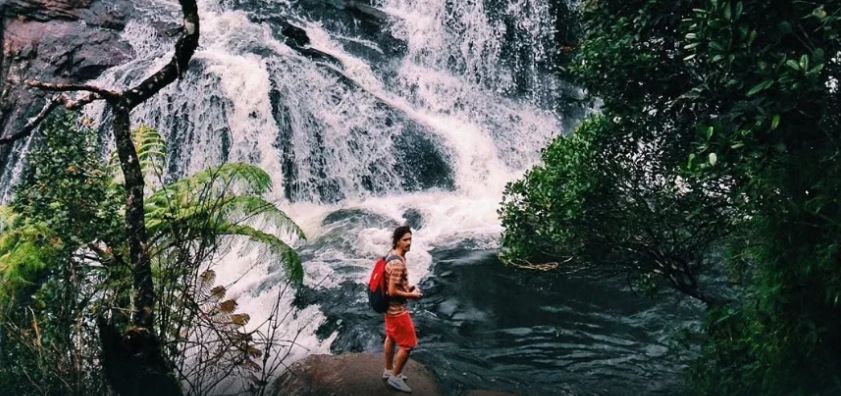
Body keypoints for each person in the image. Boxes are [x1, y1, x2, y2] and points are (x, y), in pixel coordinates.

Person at [382, 225, 422, 393]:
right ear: (397, 241)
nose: (409, 243)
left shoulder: (391, 255)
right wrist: (413, 295)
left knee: (391, 336)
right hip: (397, 310)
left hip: (388, 309)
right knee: (409, 344)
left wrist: (408, 286)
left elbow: (393, 282)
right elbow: (392, 291)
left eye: (410, 239)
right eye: (405, 240)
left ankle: (388, 370)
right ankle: (395, 378)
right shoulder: (398, 263)